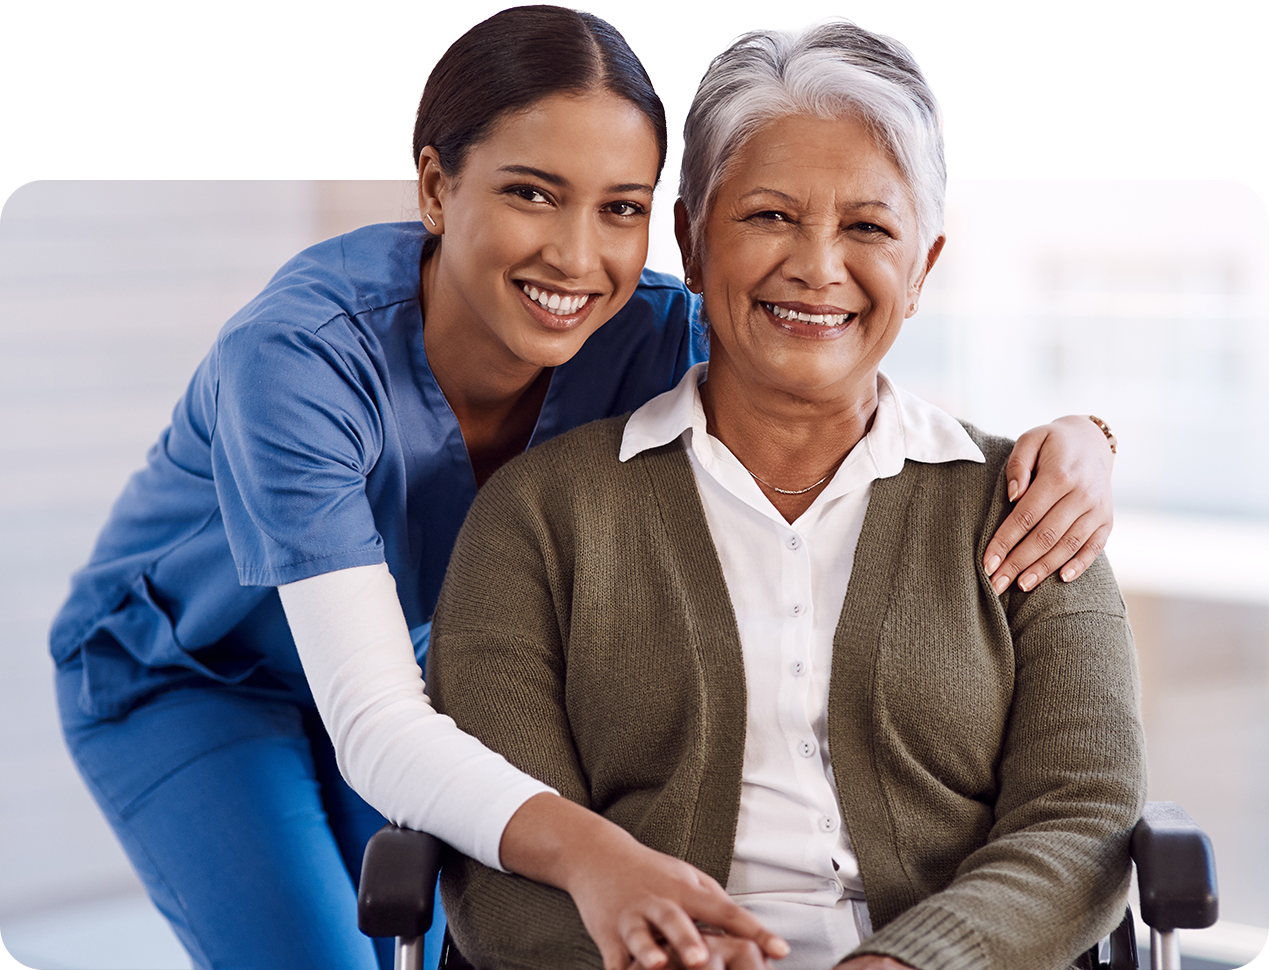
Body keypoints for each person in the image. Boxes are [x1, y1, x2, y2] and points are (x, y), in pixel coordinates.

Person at [50, 7, 1118, 970]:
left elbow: (827, 368)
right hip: (198, 675)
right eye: (531, 193)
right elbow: (375, 723)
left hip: (415, 669)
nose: (576, 256)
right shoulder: (298, 361)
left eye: (619, 207)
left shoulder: (649, 330)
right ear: (435, 188)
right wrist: (605, 858)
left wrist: (1085, 440)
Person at [426, 15, 1145, 970]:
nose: (815, 266)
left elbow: (1082, 819)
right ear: (690, 241)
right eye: (769, 216)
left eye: (868, 227)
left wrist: (904, 963)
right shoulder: (537, 518)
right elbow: (501, 858)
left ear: (921, 267)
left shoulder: (1031, 507)